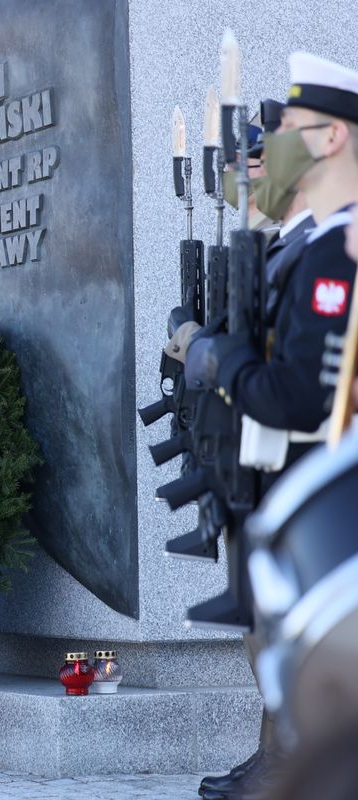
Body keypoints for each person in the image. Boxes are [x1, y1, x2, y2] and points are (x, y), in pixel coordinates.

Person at [181, 53, 358, 800]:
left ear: (331, 140)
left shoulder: (336, 255)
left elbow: (298, 399)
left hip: (325, 499)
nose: (268, 145)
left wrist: (217, 357)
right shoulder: (318, 242)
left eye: (286, 129)